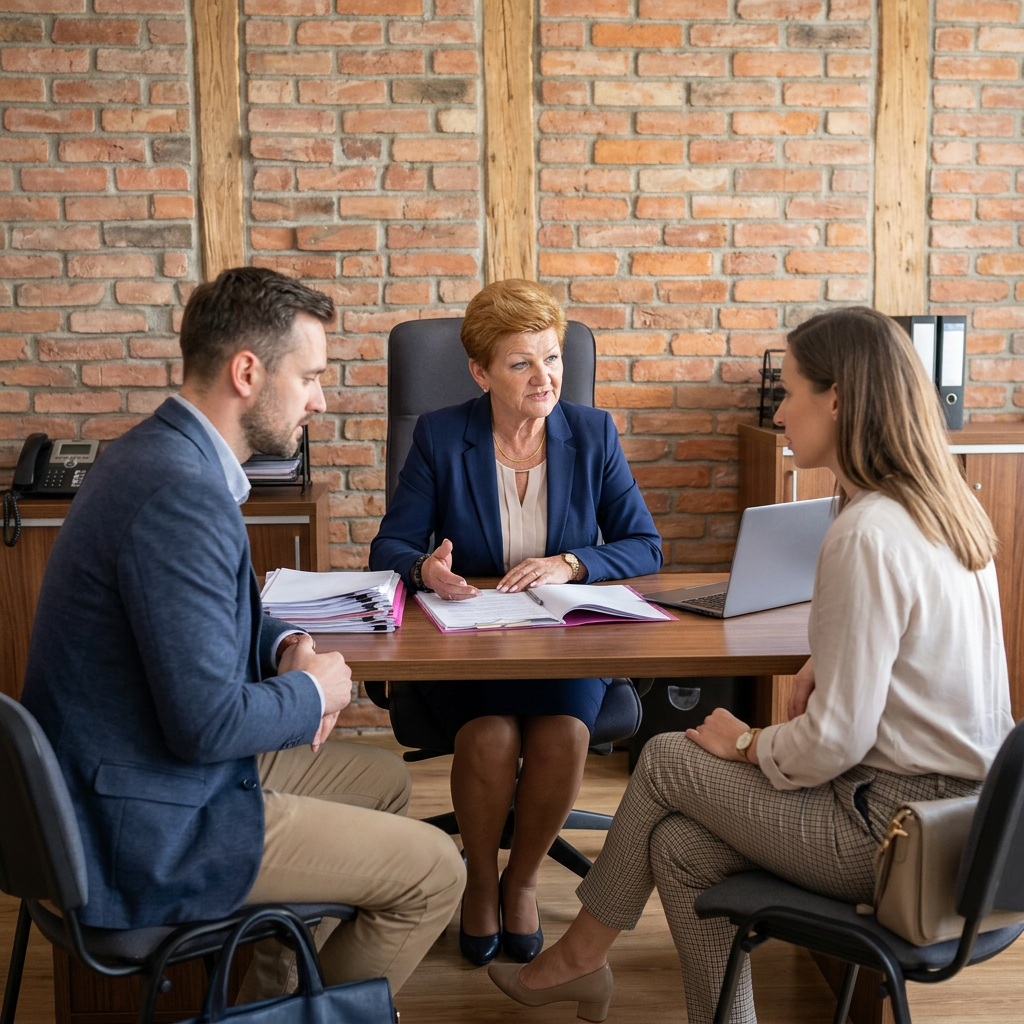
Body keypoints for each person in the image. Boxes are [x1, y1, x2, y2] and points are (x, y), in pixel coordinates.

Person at [487, 306, 1015, 1022]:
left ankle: (578, 957)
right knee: (678, 846)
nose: (780, 410)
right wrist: (826, 664)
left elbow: (833, 744)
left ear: (838, 399)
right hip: (974, 832)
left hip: (891, 837)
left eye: (791, 391)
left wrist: (746, 742)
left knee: (670, 758)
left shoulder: (867, 533)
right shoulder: (947, 509)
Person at [20, 267, 465, 1002]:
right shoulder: (180, 495)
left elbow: (210, 614)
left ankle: (268, 996)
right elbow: (206, 724)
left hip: (132, 781)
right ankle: (295, 1020)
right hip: (150, 829)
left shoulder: (152, 456)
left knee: (382, 780)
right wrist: (310, 688)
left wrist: (286, 643)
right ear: (248, 372)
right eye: (311, 377)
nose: (320, 400)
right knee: (434, 873)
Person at [369, 279, 663, 967]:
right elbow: (391, 546)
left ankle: (522, 878)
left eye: (553, 358)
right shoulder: (444, 436)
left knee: (562, 734)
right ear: (481, 373)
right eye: (521, 362)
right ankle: (478, 880)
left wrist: (572, 562)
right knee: (492, 737)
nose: (545, 377)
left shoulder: (591, 433)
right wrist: (426, 571)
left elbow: (644, 545)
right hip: (471, 643)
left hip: (560, 642)